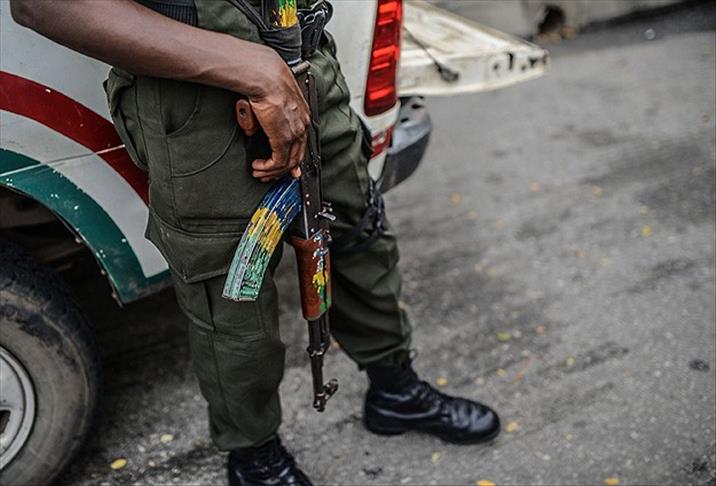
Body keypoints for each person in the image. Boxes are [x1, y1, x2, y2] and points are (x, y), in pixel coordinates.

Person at [10, 1, 500, 484]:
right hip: (196, 108)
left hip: (306, 68)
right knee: (231, 303)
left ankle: (396, 389)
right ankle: (256, 459)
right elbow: (46, 5)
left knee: (357, 236)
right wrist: (253, 69)